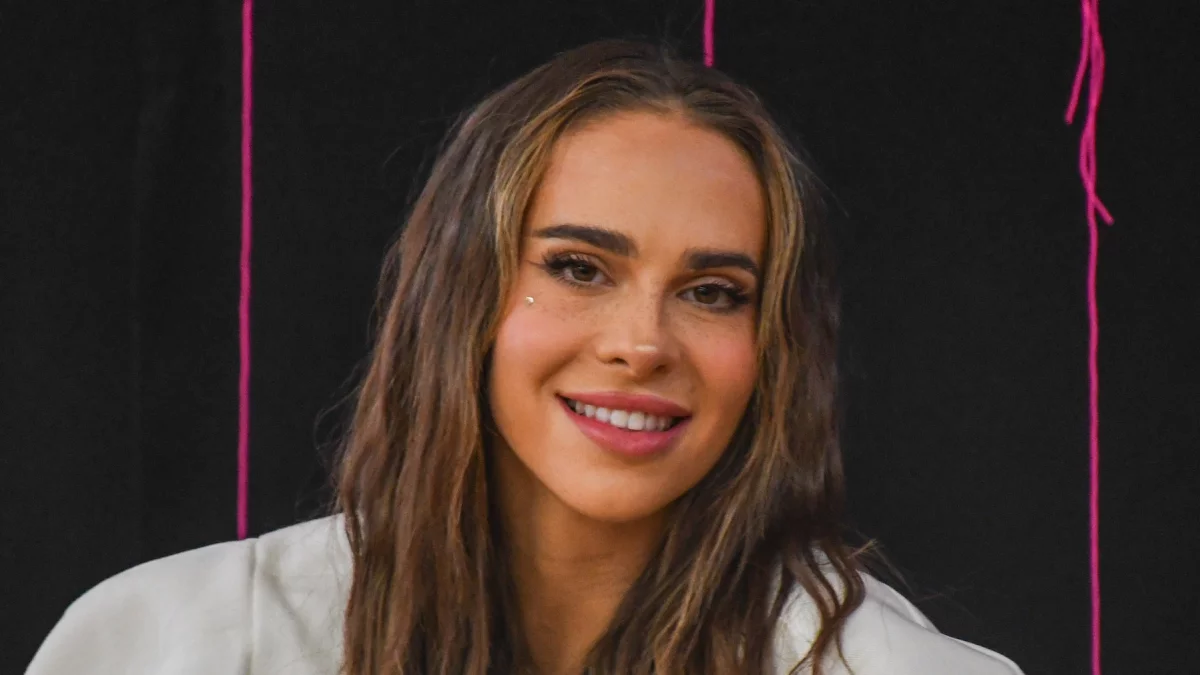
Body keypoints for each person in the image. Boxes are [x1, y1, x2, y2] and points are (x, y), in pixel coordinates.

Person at [25, 39, 1025, 675]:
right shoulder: (170, 644)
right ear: (460, 295)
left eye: (713, 291)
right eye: (579, 268)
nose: (642, 343)